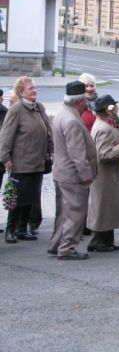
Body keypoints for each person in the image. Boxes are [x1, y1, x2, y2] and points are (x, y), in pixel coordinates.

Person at [48, 81, 98, 260]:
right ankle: (67, 247)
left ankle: (56, 243)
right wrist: (86, 176)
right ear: (79, 101)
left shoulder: (62, 114)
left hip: (61, 171)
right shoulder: (71, 120)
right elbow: (77, 153)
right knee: (75, 212)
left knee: (63, 211)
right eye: (84, 99)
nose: (86, 101)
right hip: (72, 175)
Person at [0, 77, 53, 244]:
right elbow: (6, 136)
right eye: (31, 88)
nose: (34, 90)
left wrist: (52, 150)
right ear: (21, 92)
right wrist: (5, 158)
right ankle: (11, 230)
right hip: (21, 162)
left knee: (31, 197)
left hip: (37, 162)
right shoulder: (16, 110)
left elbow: (48, 130)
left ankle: (22, 229)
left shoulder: (39, 108)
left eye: (35, 88)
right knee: (17, 198)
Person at [86, 95, 119, 252]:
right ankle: (99, 241)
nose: (117, 109)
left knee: (107, 207)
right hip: (106, 176)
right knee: (104, 207)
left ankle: (106, 240)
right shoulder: (104, 129)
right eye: (114, 107)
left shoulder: (105, 125)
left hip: (108, 175)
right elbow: (104, 154)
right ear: (107, 110)